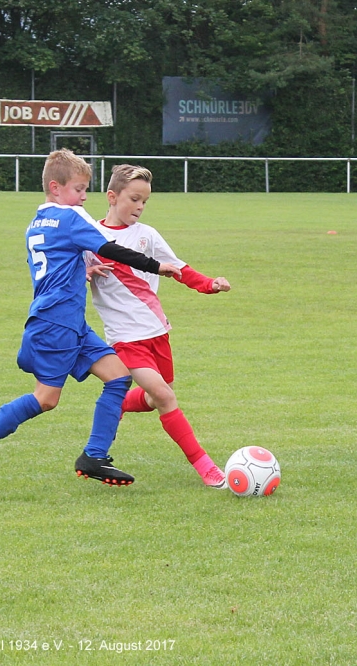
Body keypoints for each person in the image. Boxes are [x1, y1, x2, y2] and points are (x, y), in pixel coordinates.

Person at [0, 149, 182, 488]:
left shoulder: (37, 221)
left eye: (87, 189)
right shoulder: (71, 217)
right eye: (79, 189)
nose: (84, 197)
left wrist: (82, 269)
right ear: (55, 187)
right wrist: (156, 265)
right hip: (56, 324)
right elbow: (112, 246)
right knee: (46, 399)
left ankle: (94, 456)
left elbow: (53, 264)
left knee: (118, 376)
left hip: (67, 321)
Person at [84, 164, 231, 488]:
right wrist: (84, 273)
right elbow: (64, 275)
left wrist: (210, 284)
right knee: (165, 397)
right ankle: (206, 468)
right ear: (112, 196)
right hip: (126, 340)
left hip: (158, 334)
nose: (139, 206)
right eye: (134, 198)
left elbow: (179, 268)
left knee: (153, 400)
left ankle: (116, 404)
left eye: (145, 201)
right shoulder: (90, 237)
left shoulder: (147, 235)